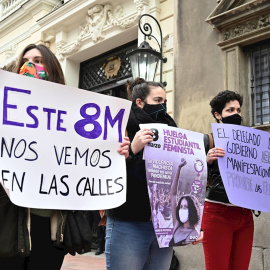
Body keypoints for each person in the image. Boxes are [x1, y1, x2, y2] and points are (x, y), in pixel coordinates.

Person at [0, 44, 130, 270]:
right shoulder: (5, 108)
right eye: (26, 61)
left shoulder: (71, 112)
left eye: (39, 60)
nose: (31, 66)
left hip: (52, 223)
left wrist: (115, 152)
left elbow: (88, 159)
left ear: (51, 68)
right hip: (12, 220)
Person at [105, 78, 177, 270]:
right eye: (158, 100)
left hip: (164, 223)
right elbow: (106, 172)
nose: (163, 106)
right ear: (139, 102)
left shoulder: (172, 131)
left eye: (165, 102)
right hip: (128, 222)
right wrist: (134, 151)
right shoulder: (118, 125)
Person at [198, 90, 254, 270]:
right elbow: (190, 177)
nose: (236, 114)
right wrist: (206, 161)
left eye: (238, 110)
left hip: (245, 215)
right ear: (218, 114)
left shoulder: (251, 143)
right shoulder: (208, 141)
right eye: (230, 110)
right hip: (217, 214)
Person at [169, 158, 201, 246]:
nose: (182, 210)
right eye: (181, 207)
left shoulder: (194, 232)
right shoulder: (178, 224)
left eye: (185, 207)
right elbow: (173, 194)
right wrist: (179, 169)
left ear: (192, 210)